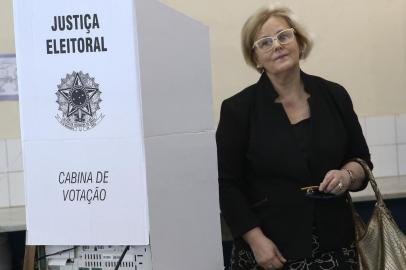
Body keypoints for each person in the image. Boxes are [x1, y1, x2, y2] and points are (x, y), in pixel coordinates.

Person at [216, 5, 373, 270]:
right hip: (270, 252)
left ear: (299, 42)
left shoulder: (334, 95)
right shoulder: (238, 110)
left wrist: (347, 176)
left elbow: (361, 161)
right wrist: (255, 241)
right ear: (255, 58)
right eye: (265, 42)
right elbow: (226, 185)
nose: (276, 45)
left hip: (335, 247)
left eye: (283, 36)